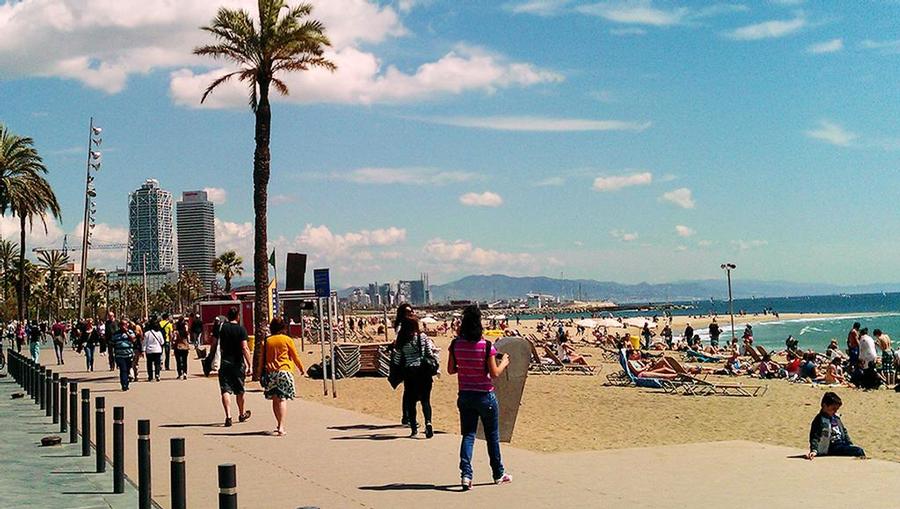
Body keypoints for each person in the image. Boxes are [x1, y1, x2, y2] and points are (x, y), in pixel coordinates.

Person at [447, 305, 512, 490]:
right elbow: (494, 373)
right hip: (485, 395)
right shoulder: (486, 346)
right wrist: (504, 362)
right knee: (492, 436)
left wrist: (466, 368)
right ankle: (498, 474)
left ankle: (466, 475)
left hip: (465, 395)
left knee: (468, 435)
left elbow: (451, 370)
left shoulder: (455, 344)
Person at [392, 313, 437, 438]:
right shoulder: (423, 337)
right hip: (424, 371)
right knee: (426, 400)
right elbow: (429, 352)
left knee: (411, 401)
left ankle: (414, 429)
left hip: (410, 372)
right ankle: (428, 423)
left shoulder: (402, 340)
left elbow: (397, 359)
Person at [260, 317, 304, 436]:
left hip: (271, 373)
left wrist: (259, 372)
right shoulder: (287, 340)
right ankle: (281, 426)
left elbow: (261, 360)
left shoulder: (267, 341)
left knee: (275, 400)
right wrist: (301, 368)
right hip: (285, 371)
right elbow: (295, 356)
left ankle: (278, 423)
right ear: (283, 327)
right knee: (282, 398)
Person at [210, 307, 252, 427]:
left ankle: (228, 416)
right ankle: (241, 413)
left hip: (225, 362)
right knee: (240, 390)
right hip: (238, 363)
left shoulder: (222, 328)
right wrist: (250, 365)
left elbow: (213, 343)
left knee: (225, 389)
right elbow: (244, 348)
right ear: (238, 316)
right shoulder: (241, 329)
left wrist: (211, 358)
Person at [805, 392, 865, 460]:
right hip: (831, 446)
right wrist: (814, 450)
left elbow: (843, 431)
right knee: (858, 451)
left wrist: (849, 443)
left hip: (842, 443)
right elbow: (814, 436)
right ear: (825, 406)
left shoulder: (836, 418)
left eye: (837, 409)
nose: (835, 411)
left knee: (854, 449)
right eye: (833, 409)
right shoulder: (819, 420)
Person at [392, 303, 414, 426]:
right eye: (407, 312)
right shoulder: (400, 326)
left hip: (412, 359)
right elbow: (400, 343)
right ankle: (406, 416)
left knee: (410, 390)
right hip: (405, 360)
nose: (409, 313)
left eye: (410, 311)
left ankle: (408, 416)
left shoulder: (411, 324)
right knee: (408, 390)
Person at [111, 320, 136, 391]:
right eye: (121, 324)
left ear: (127, 325)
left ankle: (127, 382)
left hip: (129, 355)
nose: (123, 326)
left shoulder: (130, 332)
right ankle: (124, 384)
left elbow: (133, 340)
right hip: (119, 355)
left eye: (124, 324)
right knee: (123, 370)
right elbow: (112, 343)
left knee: (128, 370)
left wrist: (127, 333)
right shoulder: (116, 334)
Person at [143, 317, 165, 382]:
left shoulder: (147, 333)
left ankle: (150, 376)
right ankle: (157, 374)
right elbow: (162, 342)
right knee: (157, 363)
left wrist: (143, 350)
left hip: (149, 351)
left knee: (149, 364)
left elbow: (144, 343)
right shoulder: (159, 333)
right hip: (157, 350)